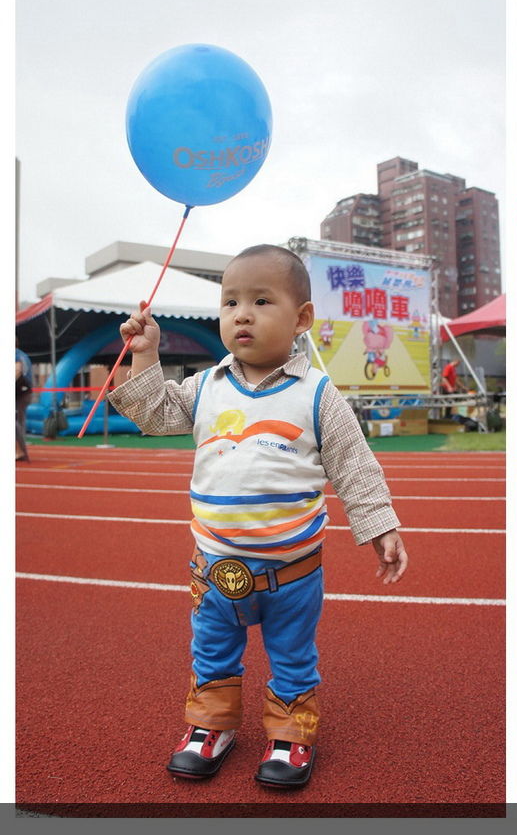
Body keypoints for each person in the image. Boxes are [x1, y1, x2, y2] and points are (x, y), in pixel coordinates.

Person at [108, 244, 408, 787]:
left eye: (261, 300)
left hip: (292, 571)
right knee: (212, 650)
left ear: (302, 320)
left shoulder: (317, 394)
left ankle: (291, 734)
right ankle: (210, 727)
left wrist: (380, 525)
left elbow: (355, 466)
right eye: (230, 302)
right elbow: (153, 415)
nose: (241, 313)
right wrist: (146, 356)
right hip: (215, 568)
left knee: (292, 652)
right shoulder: (206, 387)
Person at [15, 341, 32, 462]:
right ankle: (19, 451)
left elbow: (17, 370)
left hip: (20, 393)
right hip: (24, 392)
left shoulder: (16, 354)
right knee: (19, 422)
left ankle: (21, 451)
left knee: (16, 424)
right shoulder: (22, 354)